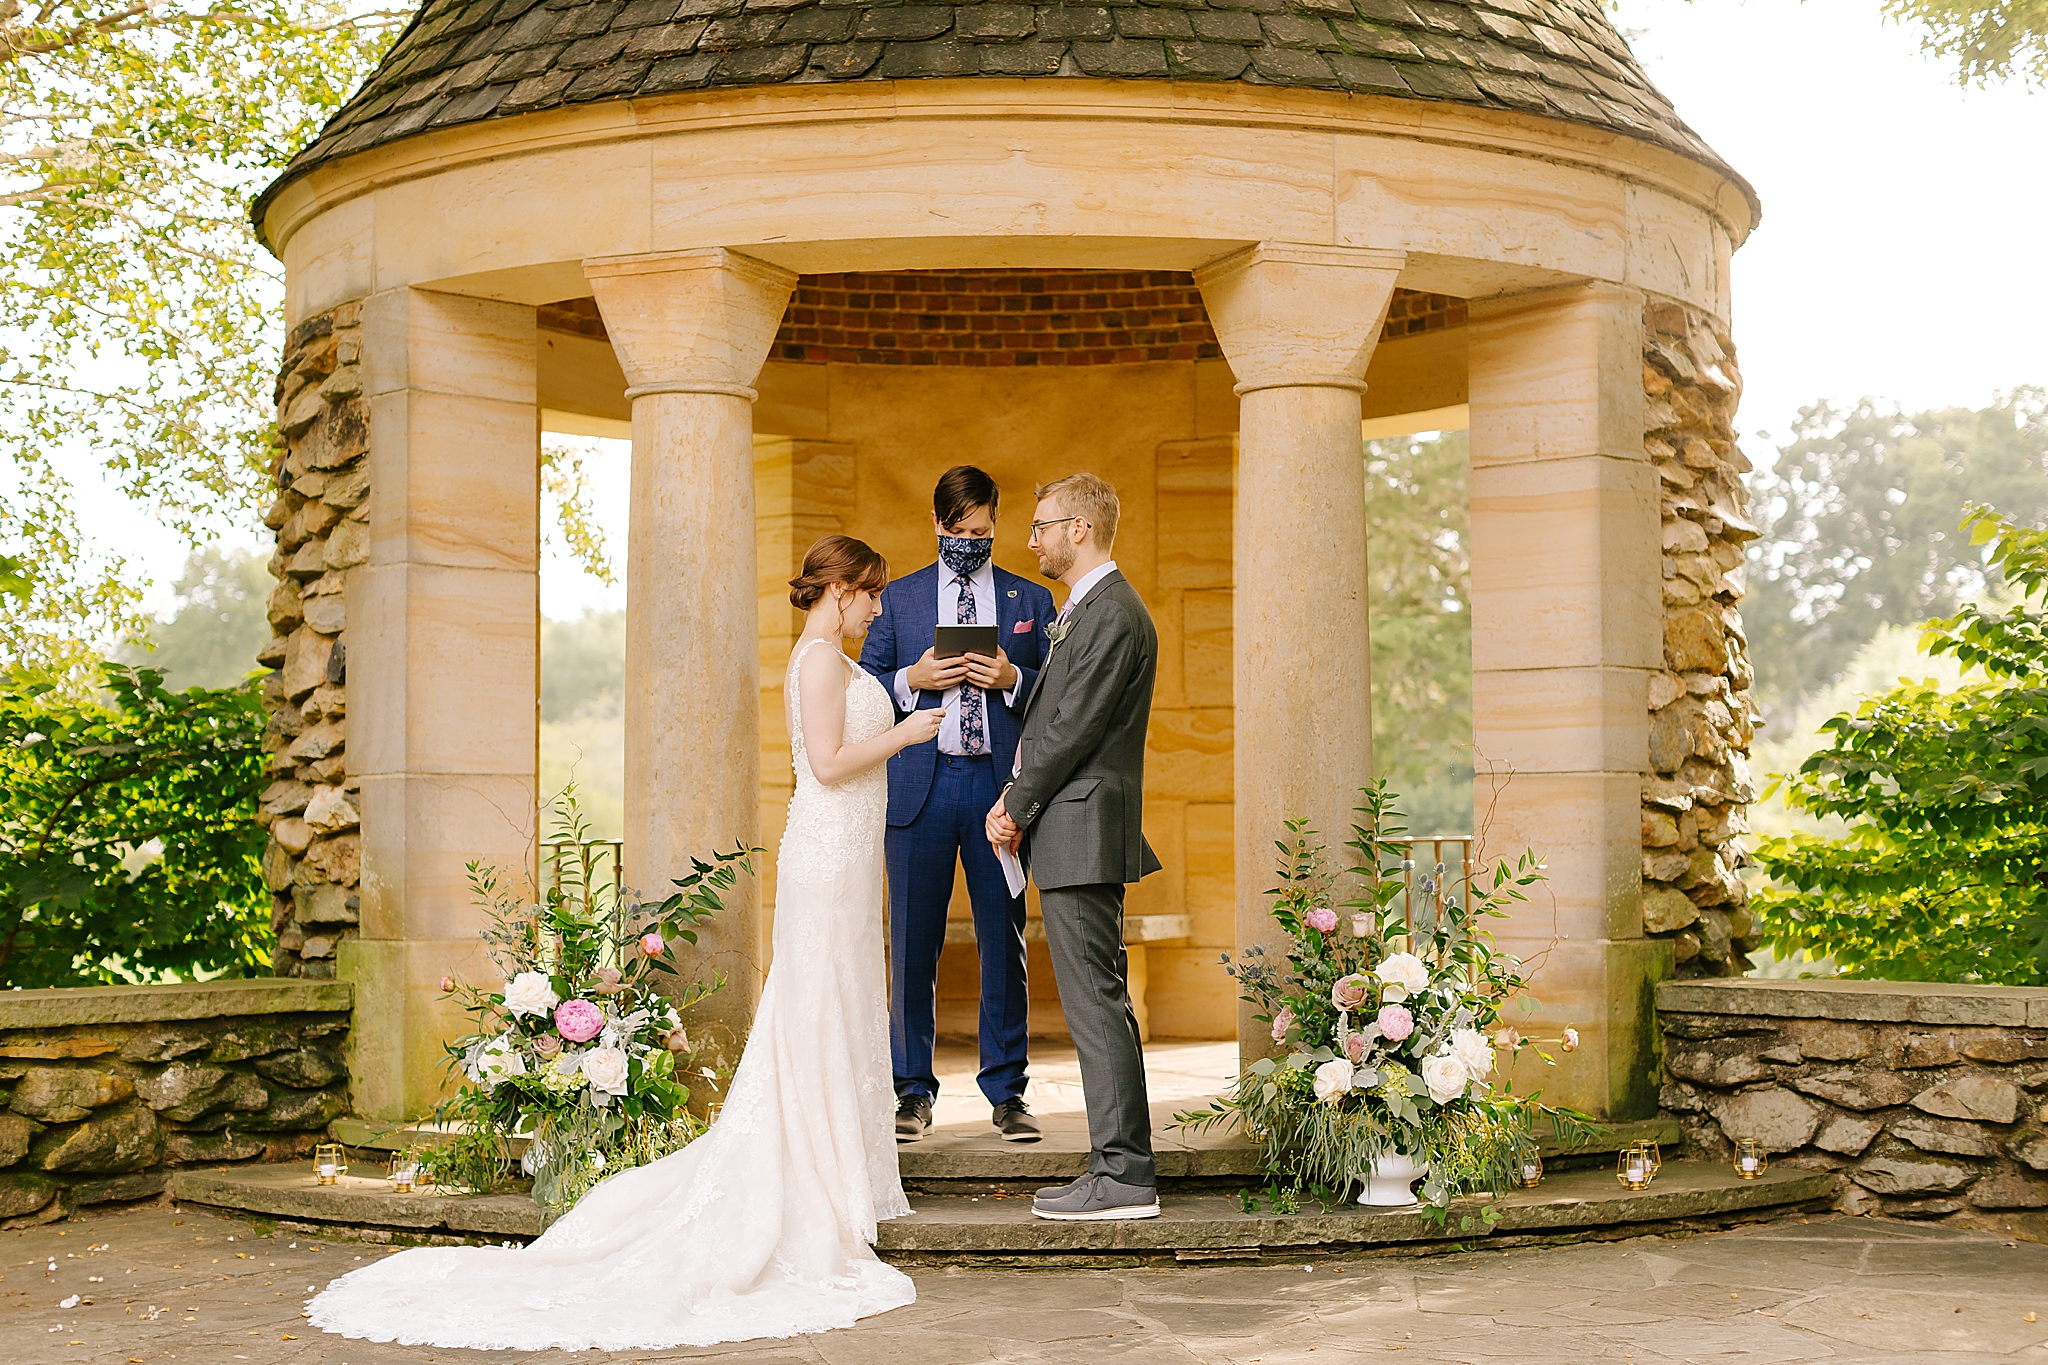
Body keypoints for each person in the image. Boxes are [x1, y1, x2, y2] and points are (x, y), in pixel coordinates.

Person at [306, 535, 942, 1352]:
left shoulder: (843, 662)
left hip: (850, 855)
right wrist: (908, 732)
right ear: (842, 589)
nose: (879, 607)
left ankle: (838, 1171)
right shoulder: (818, 660)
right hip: (825, 848)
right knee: (816, 1002)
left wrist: (902, 691)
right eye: (873, 593)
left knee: (845, 999)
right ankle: (816, 1180)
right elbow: (824, 763)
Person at [859, 466, 1055, 1144]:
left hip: (999, 791)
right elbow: (860, 693)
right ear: (937, 524)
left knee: (1006, 941)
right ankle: (911, 1091)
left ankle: (1008, 1091)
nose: (971, 541)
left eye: (984, 532)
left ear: (995, 527)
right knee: (914, 944)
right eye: (960, 531)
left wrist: (1013, 677)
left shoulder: (1030, 597)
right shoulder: (901, 599)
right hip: (920, 788)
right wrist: (910, 679)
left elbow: (1061, 697)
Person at [986, 473, 1163, 1222]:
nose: (1031, 541)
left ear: (1079, 528)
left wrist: (1015, 804)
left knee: (1096, 1004)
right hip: (1073, 827)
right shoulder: (1085, 611)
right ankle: (1112, 1163)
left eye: (1041, 526)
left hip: (1080, 826)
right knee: (1099, 1002)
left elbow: (1073, 729)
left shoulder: (1111, 614)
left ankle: (1123, 1174)